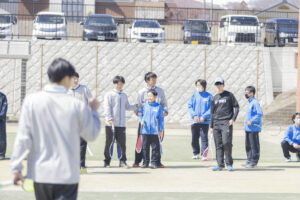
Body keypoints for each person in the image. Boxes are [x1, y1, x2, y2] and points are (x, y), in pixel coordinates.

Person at [10, 58, 101, 200]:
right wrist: (94, 111)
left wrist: (16, 168)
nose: (72, 81)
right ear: (66, 78)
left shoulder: (31, 101)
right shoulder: (76, 105)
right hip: (67, 175)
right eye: (71, 78)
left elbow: (23, 138)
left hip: (41, 174)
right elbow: (92, 134)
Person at [133, 72, 168, 168]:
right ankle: (138, 161)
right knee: (141, 142)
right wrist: (138, 114)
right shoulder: (141, 92)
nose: (154, 81)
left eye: (155, 79)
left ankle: (157, 162)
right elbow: (137, 106)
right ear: (147, 81)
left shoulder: (160, 91)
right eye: (152, 79)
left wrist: (165, 111)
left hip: (156, 123)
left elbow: (164, 103)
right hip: (144, 124)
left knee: (157, 144)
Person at [103, 76, 139, 168]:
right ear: (114, 84)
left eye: (121, 84)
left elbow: (127, 106)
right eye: (117, 84)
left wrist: (136, 106)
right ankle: (107, 161)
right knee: (109, 143)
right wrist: (109, 119)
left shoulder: (124, 95)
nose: (119, 85)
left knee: (122, 144)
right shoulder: (109, 94)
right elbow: (107, 107)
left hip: (121, 124)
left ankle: (122, 161)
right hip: (110, 124)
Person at [210, 77, 239, 171]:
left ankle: (229, 163)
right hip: (216, 124)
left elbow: (237, 107)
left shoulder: (229, 95)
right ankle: (220, 164)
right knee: (218, 144)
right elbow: (212, 113)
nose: (218, 86)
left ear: (223, 85)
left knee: (226, 143)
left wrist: (233, 119)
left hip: (226, 122)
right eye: (217, 84)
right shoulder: (214, 98)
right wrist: (211, 126)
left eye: (220, 84)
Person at [68, 72, 93, 173]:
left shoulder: (84, 89)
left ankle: (81, 165)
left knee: (82, 144)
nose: (75, 80)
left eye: (76, 78)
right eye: (73, 78)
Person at [138, 89, 164, 169]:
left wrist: (160, 129)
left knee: (155, 148)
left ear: (155, 96)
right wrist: (141, 121)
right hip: (145, 131)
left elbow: (161, 119)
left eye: (151, 96)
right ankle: (145, 163)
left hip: (154, 131)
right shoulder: (144, 106)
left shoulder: (158, 107)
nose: (149, 97)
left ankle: (154, 163)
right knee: (145, 147)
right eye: (148, 96)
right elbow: (140, 115)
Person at [188, 79, 212, 161]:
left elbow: (211, 108)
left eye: (200, 86)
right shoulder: (194, 96)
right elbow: (190, 106)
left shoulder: (209, 96)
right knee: (194, 137)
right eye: (197, 86)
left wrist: (204, 117)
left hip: (204, 122)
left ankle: (204, 154)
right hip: (194, 121)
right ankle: (196, 153)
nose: (198, 87)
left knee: (204, 137)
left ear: (204, 86)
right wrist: (194, 115)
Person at [244, 86, 263, 168]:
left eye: (247, 92)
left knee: (254, 145)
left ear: (252, 93)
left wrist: (251, 121)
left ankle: (254, 162)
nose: (246, 94)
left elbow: (259, 114)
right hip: (248, 128)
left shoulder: (255, 103)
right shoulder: (249, 103)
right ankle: (249, 160)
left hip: (253, 128)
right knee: (248, 145)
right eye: (245, 92)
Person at [0, 91, 7, 160]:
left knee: (1, 138)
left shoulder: (3, 96)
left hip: (0, 121)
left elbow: (4, 109)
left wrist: (0, 116)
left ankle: (1, 154)